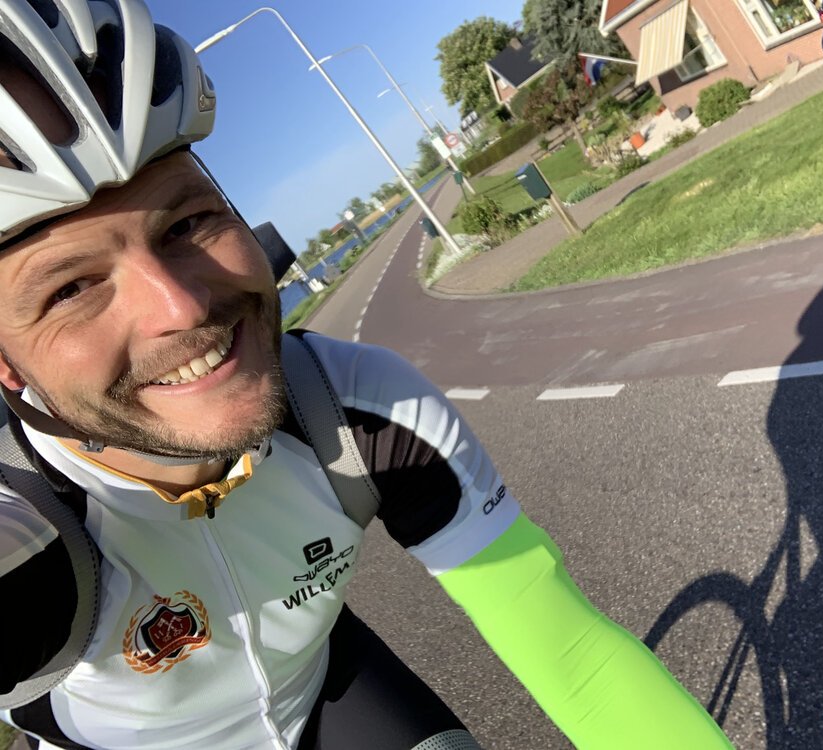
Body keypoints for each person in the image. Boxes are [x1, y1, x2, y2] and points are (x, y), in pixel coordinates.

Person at [0, 1, 732, 748]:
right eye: (70, 289)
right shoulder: (21, 522)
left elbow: (577, 661)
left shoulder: (352, 408)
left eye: (188, 223)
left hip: (318, 690)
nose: (181, 306)